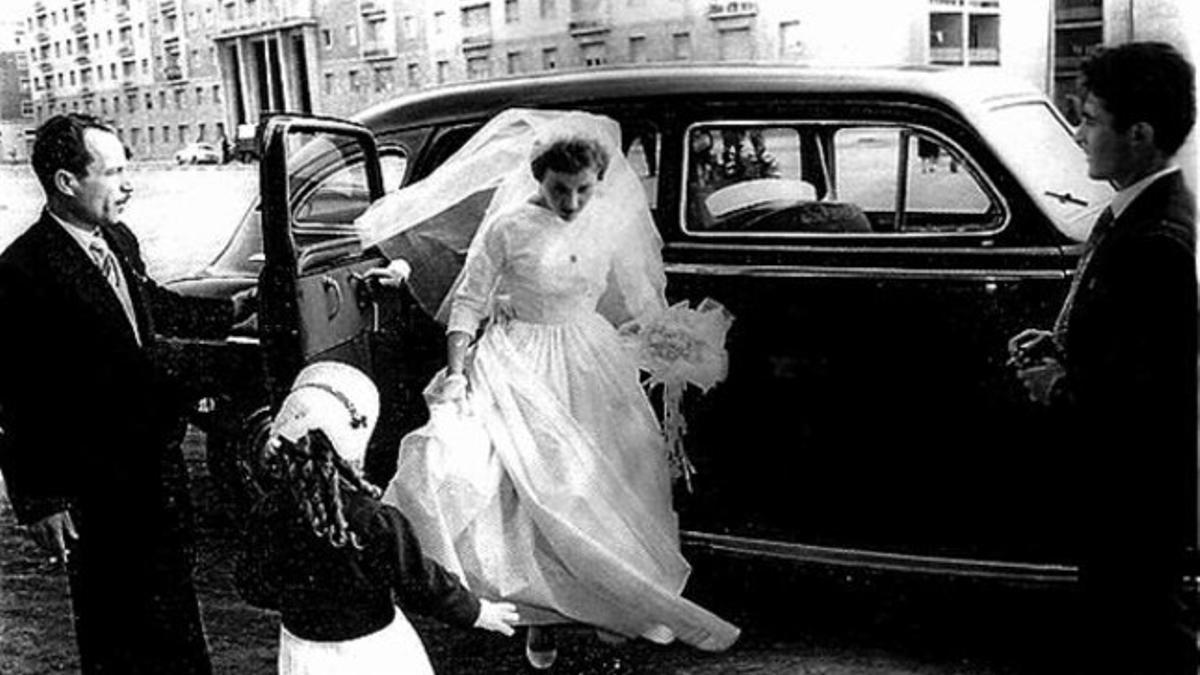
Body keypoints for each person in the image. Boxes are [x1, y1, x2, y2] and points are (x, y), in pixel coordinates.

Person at [366, 110, 740, 670]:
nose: (571, 202)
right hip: (517, 357)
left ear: (600, 181)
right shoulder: (508, 227)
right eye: (559, 189)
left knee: (612, 477)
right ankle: (539, 618)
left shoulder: (609, 222)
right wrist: (458, 372)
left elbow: (640, 297)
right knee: (522, 489)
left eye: (583, 190)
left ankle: (617, 601)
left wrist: (669, 344)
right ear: (537, 177)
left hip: (589, 353)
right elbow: (469, 301)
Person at [0, 113, 255, 674]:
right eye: (112, 172)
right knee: (117, 630)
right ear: (67, 182)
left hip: (156, 470)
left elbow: (148, 306)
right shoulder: (22, 271)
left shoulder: (116, 237)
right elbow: (16, 396)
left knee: (177, 620)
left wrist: (233, 308)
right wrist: (40, 500)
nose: (126, 184)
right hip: (95, 486)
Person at [1006, 42, 1197, 674]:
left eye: (1089, 118)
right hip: (1128, 487)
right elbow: (1125, 338)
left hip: (1134, 491)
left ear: (1139, 134)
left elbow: (1148, 395)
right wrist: (1058, 343)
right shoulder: (1138, 210)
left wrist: (1058, 387)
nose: (1079, 134)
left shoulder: (1158, 241)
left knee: (1140, 629)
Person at [237, 361, 518, 675]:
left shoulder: (267, 512)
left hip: (305, 654)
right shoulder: (375, 520)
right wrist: (476, 612)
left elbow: (253, 585)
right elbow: (420, 582)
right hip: (374, 653)